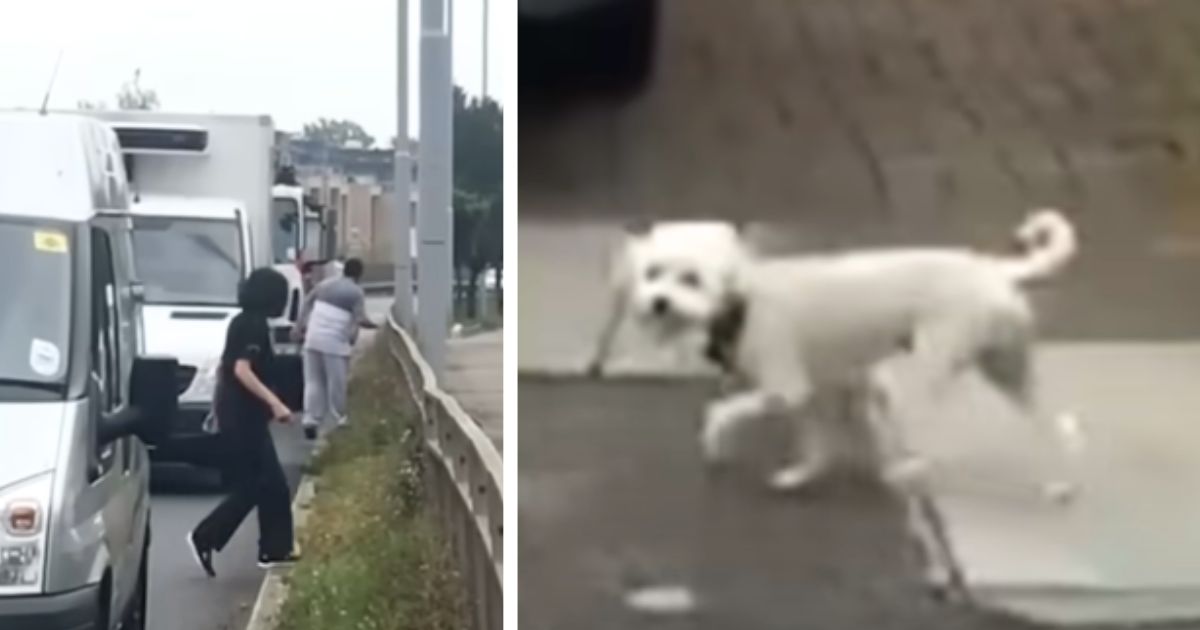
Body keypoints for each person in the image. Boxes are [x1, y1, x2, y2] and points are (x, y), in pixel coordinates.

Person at [189, 267, 299, 576]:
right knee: (271, 485)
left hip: (240, 414)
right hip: (243, 417)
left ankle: (214, 537)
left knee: (258, 485)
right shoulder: (251, 326)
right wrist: (275, 403)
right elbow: (242, 370)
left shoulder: (245, 323)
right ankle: (270, 549)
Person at [293, 257, 378, 440]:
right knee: (336, 382)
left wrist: (299, 325)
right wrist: (375, 326)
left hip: (312, 339)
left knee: (313, 381)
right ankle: (339, 418)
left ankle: (310, 419)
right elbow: (360, 319)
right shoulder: (356, 292)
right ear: (360, 274)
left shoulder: (325, 285)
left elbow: (308, 302)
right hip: (334, 344)